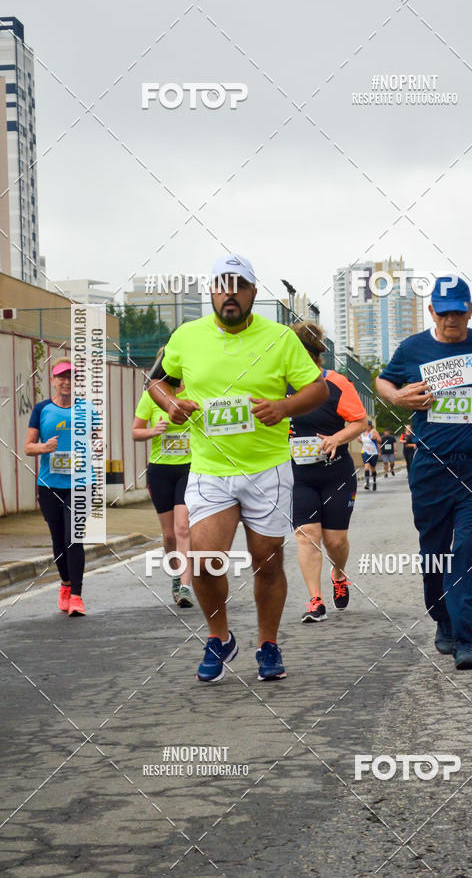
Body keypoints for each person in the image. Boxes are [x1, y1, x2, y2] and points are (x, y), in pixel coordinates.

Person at [148, 254, 328, 683]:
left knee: (267, 560)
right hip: (210, 468)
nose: (230, 293)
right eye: (222, 285)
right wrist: (171, 403)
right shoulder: (187, 336)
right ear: (211, 291)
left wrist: (283, 406)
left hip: (267, 468)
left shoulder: (279, 338)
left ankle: (268, 644)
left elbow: (318, 388)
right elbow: (157, 381)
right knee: (204, 560)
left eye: (239, 286)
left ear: (252, 292)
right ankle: (219, 637)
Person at [375, 275, 472, 670]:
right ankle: (442, 616)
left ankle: (465, 639)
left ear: (470, 310)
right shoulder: (413, 348)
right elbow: (383, 380)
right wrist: (397, 396)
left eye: (458, 311)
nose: (451, 319)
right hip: (431, 468)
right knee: (434, 553)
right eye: (443, 313)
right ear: (431, 312)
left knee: (468, 548)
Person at [288, 322, 367, 623]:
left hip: (336, 474)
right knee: (307, 535)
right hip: (300, 476)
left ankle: (339, 573)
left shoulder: (336, 383)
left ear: (310, 355)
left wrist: (337, 438)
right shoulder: (280, 386)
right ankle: (315, 600)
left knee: (335, 541)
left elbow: (359, 422)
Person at [24, 358, 86, 616]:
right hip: (49, 485)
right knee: (58, 539)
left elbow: (97, 439)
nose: (66, 381)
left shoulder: (86, 408)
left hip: (80, 484)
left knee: (74, 539)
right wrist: (44, 447)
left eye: (71, 377)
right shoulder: (42, 409)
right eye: (62, 377)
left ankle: (77, 597)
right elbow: (28, 447)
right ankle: (66, 583)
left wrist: (96, 446)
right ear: (53, 380)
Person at [132, 375, 194, 607]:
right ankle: (177, 575)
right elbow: (135, 432)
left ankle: (186, 586)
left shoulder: (194, 394)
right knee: (169, 535)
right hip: (160, 471)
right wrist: (154, 431)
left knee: (182, 528)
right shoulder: (150, 397)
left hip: (189, 468)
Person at [360, 422, 381, 491]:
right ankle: (367, 483)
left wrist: (375, 438)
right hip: (365, 452)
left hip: (373, 453)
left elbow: (380, 440)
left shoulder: (374, 432)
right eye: (366, 425)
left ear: (371, 426)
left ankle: (374, 482)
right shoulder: (362, 433)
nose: (367, 427)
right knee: (366, 467)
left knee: (373, 468)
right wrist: (359, 440)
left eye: (369, 426)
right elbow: (361, 441)